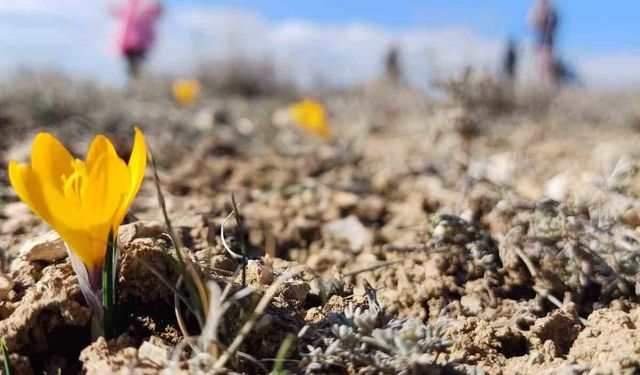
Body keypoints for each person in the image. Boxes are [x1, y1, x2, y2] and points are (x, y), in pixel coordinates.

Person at [112, 0, 162, 83]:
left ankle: (138, 83)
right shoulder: (127, 6)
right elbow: (117, 13)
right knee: (131, 66)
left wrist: (156, 6)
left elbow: (155, 11)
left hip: (140, 42)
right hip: (127, 43)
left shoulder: (144, 5)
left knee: (138, 64)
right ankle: (135, 83)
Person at [528, 0, 558, 88]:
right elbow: (531, 23)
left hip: (548, 42)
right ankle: (538, 86)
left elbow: (555, 23)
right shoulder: (535, 11)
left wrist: (549, 23)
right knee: (539, 65)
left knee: (548, 65)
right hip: (539, 42)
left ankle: (548, 86)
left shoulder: (551, 11)